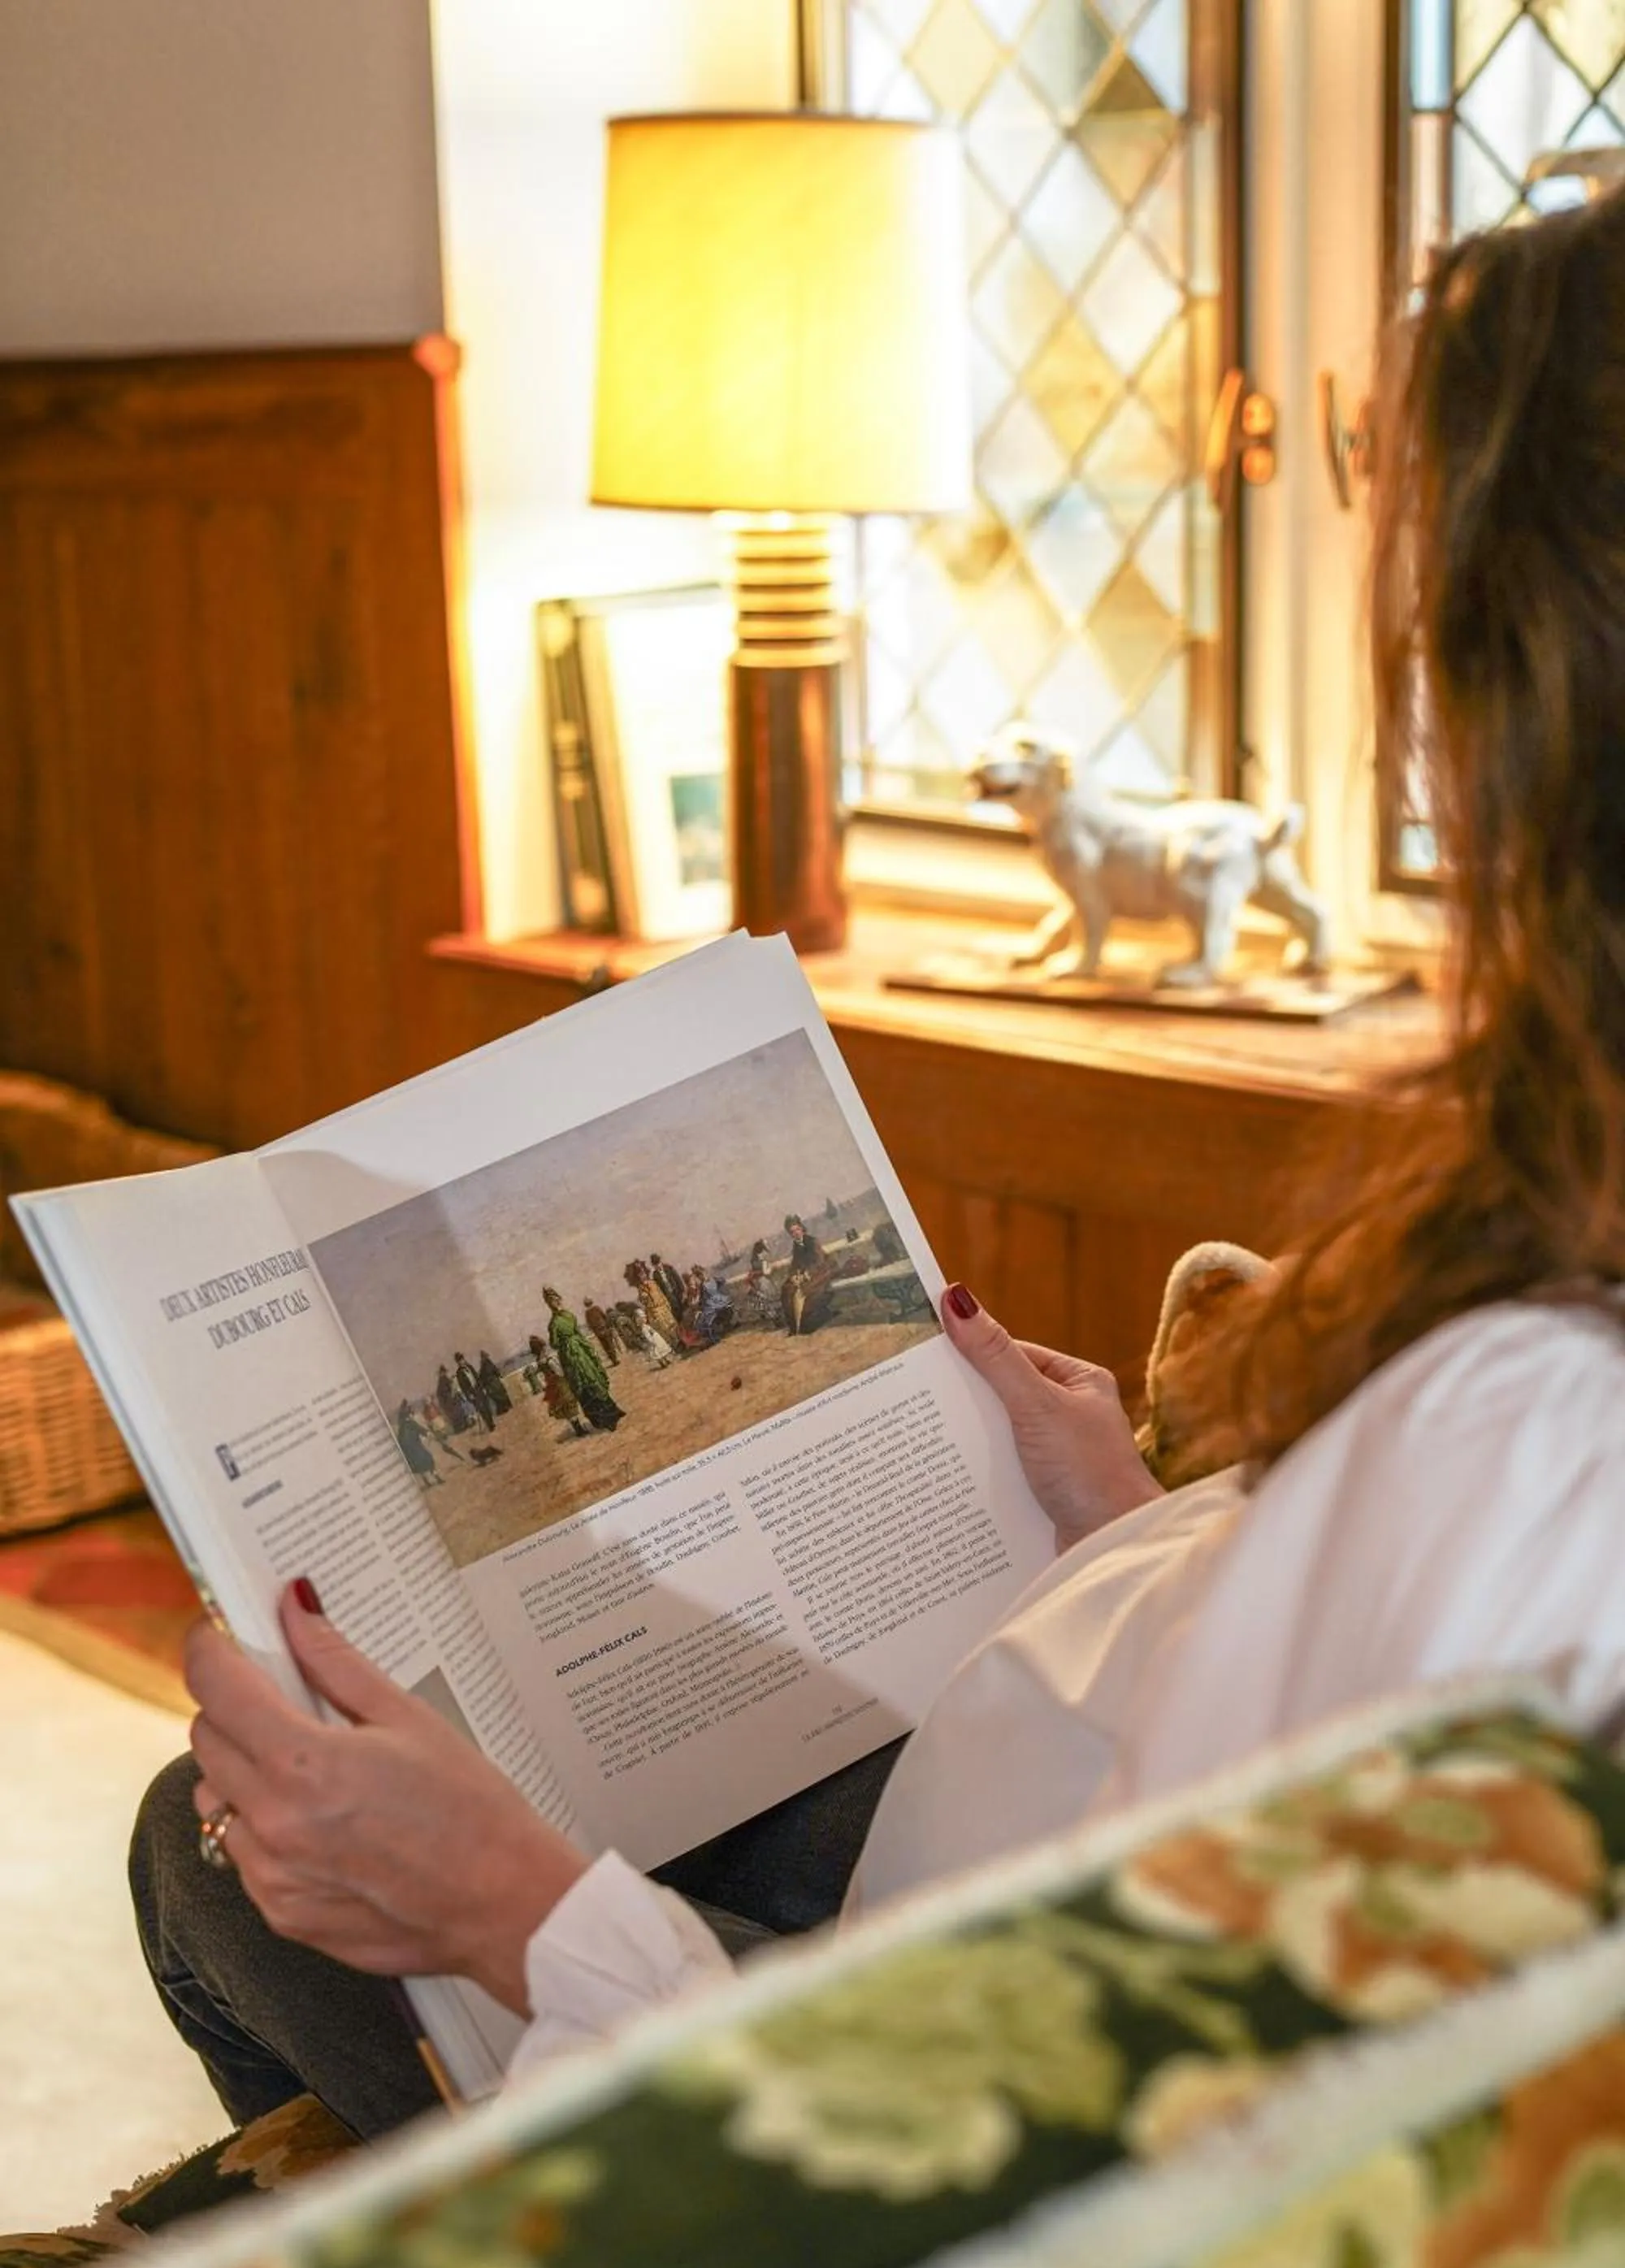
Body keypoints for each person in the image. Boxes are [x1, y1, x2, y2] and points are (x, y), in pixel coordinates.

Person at [134, 186, 1625, 2136]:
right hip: (1041, 1796)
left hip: (910, 2049)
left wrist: (511, 1908)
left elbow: (1097, 2158)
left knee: (219, 1840)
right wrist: (1134, 1520)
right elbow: (1320, 1719)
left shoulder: (1536, 1437)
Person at [544, 1289, 623, 1433]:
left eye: (554, 1300)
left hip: (576, 1352)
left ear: (558, 1300)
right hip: (575, 1353)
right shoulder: (559, 1320)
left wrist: (587, 1347)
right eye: (551, 1302)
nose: (554, 1303)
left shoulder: (558, 1321)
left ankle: (610, 1414)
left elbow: (555, 1343)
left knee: (592, 1379)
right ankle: (603, 1420)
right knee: (585, 1383)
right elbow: (559, 1342)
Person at [778, 1213, 833, 1335]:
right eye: (792, 1232)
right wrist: (793, 1276)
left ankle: (805, 1325)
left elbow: (819, 1261)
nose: (796, 1233)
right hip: (807, 1274)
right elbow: (795, 1264)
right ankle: (794, 1327)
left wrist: (807, 1274)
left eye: (797, 1229)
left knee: (805, 1290)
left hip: (820, 1272)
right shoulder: (796, 1246)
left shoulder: (812, 1241)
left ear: (802, 1228)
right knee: (786, 1290)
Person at [393, 1402, 440, 1488]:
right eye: (412, 1414)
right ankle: (437, 1477)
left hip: (409, 1452)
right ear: (409, 1415)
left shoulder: (402, 1428)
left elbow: (400, 1441)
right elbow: (421, 1430)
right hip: (416, 1449)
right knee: (429, 1460)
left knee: (418, 1467)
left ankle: (427, 1482)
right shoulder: (411, 1424)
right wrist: (429, 1434)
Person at [453, 1352, 493, 1433]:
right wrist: (469, 1395)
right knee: (482, 1410)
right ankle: (490, 1426)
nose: (462, 1362)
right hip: (472, 1393)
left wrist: (483, 1388)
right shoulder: (459, 1373)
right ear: (458, 1363)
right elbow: (463, 1386)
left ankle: (491, 1423)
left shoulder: (470, 1367)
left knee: (486, 1406)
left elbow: (477, 1378)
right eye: (460, 1361)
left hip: (479, 1389)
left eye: (462, 1359)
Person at [583, 1300, 621, 1367]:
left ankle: (613, 1361)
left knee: (605, 1346)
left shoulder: (587, 1313)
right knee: (610, 1344)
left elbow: (589, 1324)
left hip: (597, 1332)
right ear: (591, 1302)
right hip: (604, 1328)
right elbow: (604, 1316)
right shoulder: (596, 1308)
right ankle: (615, 1359)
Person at [477, 1351, 512, 1417]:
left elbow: (494, 1370)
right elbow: (493, 1371)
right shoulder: (485, 1365)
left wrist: (499, 1375)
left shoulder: (486, 1364)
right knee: (498, 1396)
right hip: (492, 1384)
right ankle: (504, 1409)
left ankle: (504, 1408)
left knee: (500, 1395)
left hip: (493, 1383)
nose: (486, 1358)